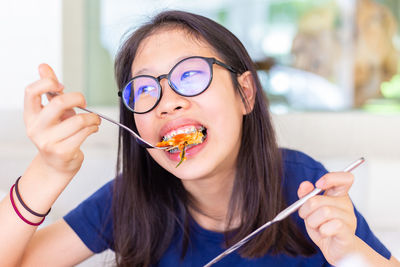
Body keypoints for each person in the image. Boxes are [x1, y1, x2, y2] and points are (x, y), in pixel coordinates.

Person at [0, 10, 398, 267]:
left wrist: (350, 252)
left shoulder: (303, 187)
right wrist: (49, 169)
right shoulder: (129, 200)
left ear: (245, 93)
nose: (167, 103)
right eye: (144, 90)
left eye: (190, 76)